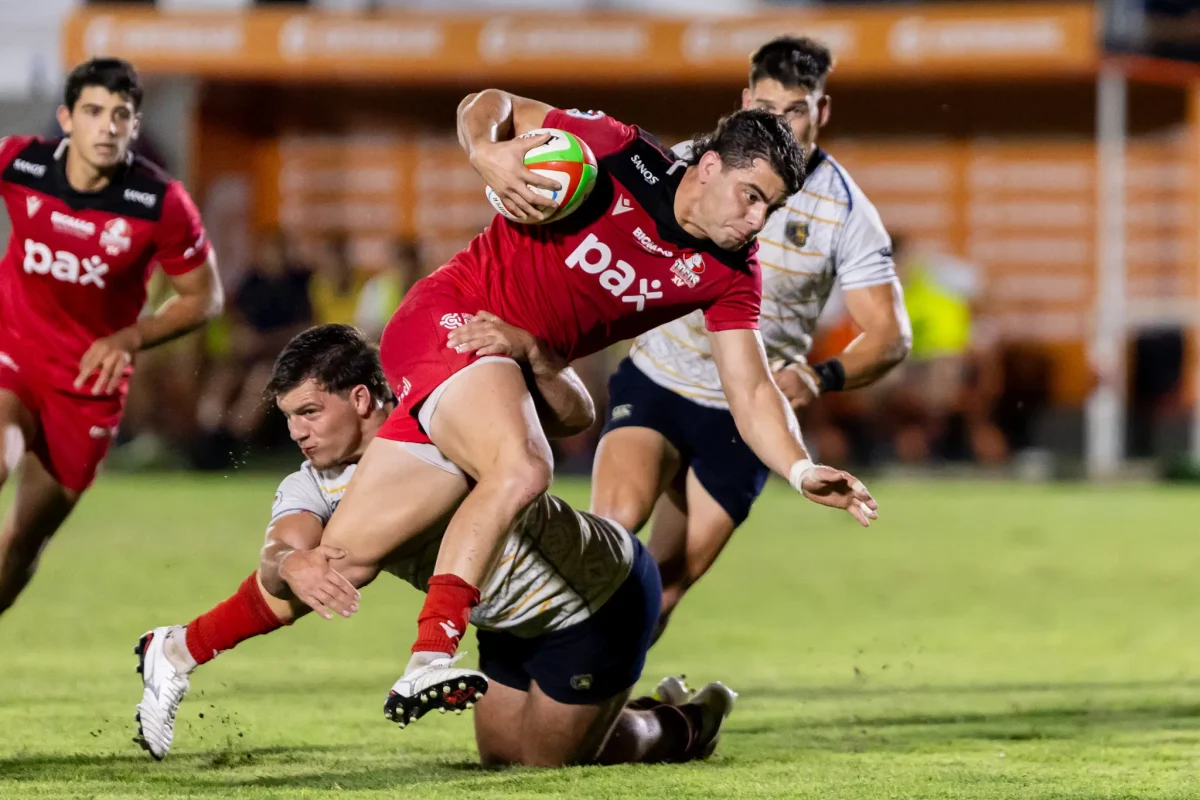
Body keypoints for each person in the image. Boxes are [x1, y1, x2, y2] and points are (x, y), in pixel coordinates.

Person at [281, 93, 879, 730]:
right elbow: (490, 102)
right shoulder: (619, 151)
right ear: (708, 167)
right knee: (511, 478)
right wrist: (487, 152)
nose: (758, 221)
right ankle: (409, 652)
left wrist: (801, 470)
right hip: (465, 331)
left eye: (773, 207)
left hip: (524, 369)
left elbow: (753, 390)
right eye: (751, 196)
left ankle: (673, 722)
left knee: (529, 745)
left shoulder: (733, 271)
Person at [136, 323, 736, 768]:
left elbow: (576, 415)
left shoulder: (444, 414)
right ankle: (179, 649)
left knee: (548, 764)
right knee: (503, 758)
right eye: (290, 416)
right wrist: (293, 561)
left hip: (594, 598)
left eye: (311, 412)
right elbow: (280, 548)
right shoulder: (311, 482)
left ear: (362, 399)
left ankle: (685, 723)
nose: (297, 432)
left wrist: (535, 355)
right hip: (503, 621)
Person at [589, 37, 912, 639]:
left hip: (748, 416)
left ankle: (598, 713)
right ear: (744, 100)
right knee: (613, 530)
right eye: (766, 106)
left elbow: (890, 334)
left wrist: (820, 377)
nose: (780, 122)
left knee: (668, 581)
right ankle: (543, 685)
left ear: (822, 111)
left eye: (796, 109)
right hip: (660, 379)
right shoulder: (697, 163)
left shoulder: (845, 212)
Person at [0, 57, 222, 617]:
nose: (107, 126)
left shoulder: (159, 204)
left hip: (87, 387)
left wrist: (129, 338)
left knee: (26, 539)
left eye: (120, 115)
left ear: (134, 126)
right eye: (93, 111)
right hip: (14, 355)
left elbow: (204, 297)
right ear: (66, 119)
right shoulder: (18, 161)